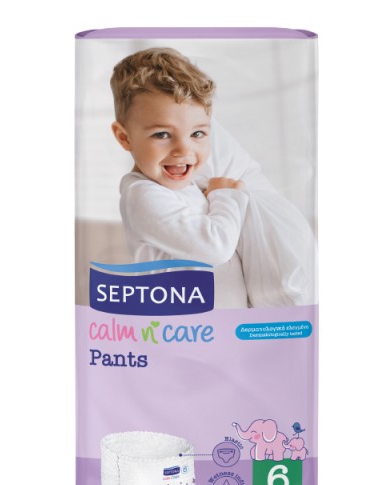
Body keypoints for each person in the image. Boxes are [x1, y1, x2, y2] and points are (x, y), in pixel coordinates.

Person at [110, 47, 316, 308]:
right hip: (185, 325)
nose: (184, 150)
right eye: (162, 134)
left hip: (216, 323)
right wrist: (226, 195)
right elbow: (216, 247)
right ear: (124, 137)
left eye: (197, 134)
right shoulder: (143, 195)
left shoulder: (185, 185)